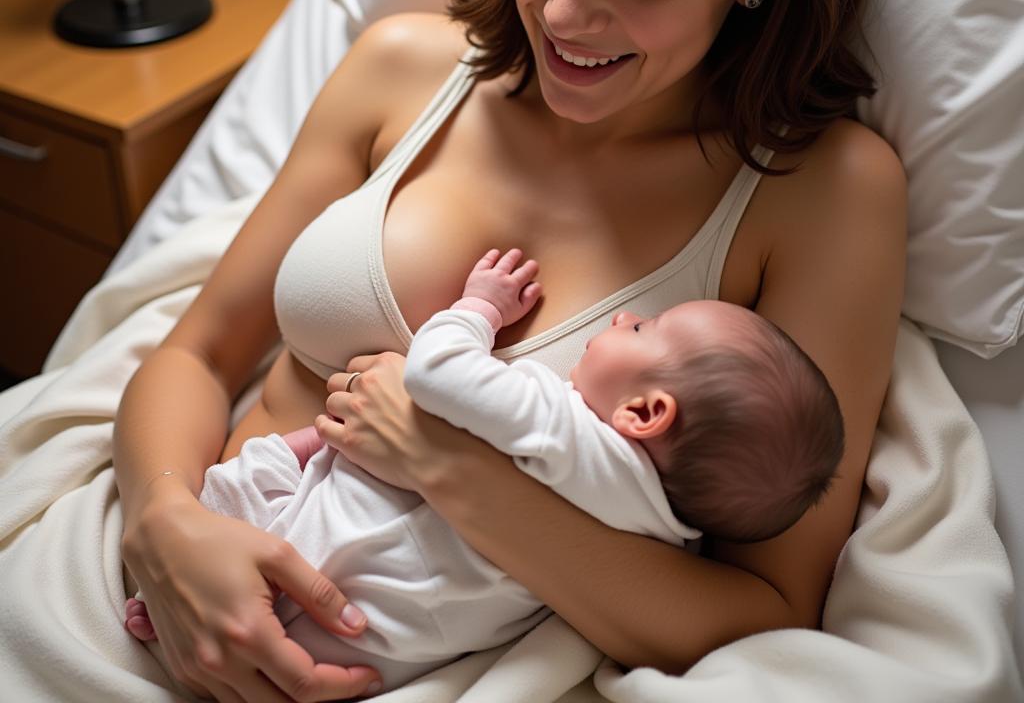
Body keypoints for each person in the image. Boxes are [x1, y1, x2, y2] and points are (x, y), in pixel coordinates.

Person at [112, 0, 906, 698]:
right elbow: (197, 349)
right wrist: (167, 528)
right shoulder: (401, 69)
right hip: (167, 582)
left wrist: (452, 468)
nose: (569, 13)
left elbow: (767, 606)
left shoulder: (822, 192)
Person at [123, 248, 844, 691]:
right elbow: (198, 348)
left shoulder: (562, 424)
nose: (625, 319)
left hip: (276, 541)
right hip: (371, 642)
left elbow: (436, 375)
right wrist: (162, 520)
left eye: (646, 328)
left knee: (284, 470)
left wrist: (478, 311)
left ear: (647, 414)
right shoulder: (669, 525)